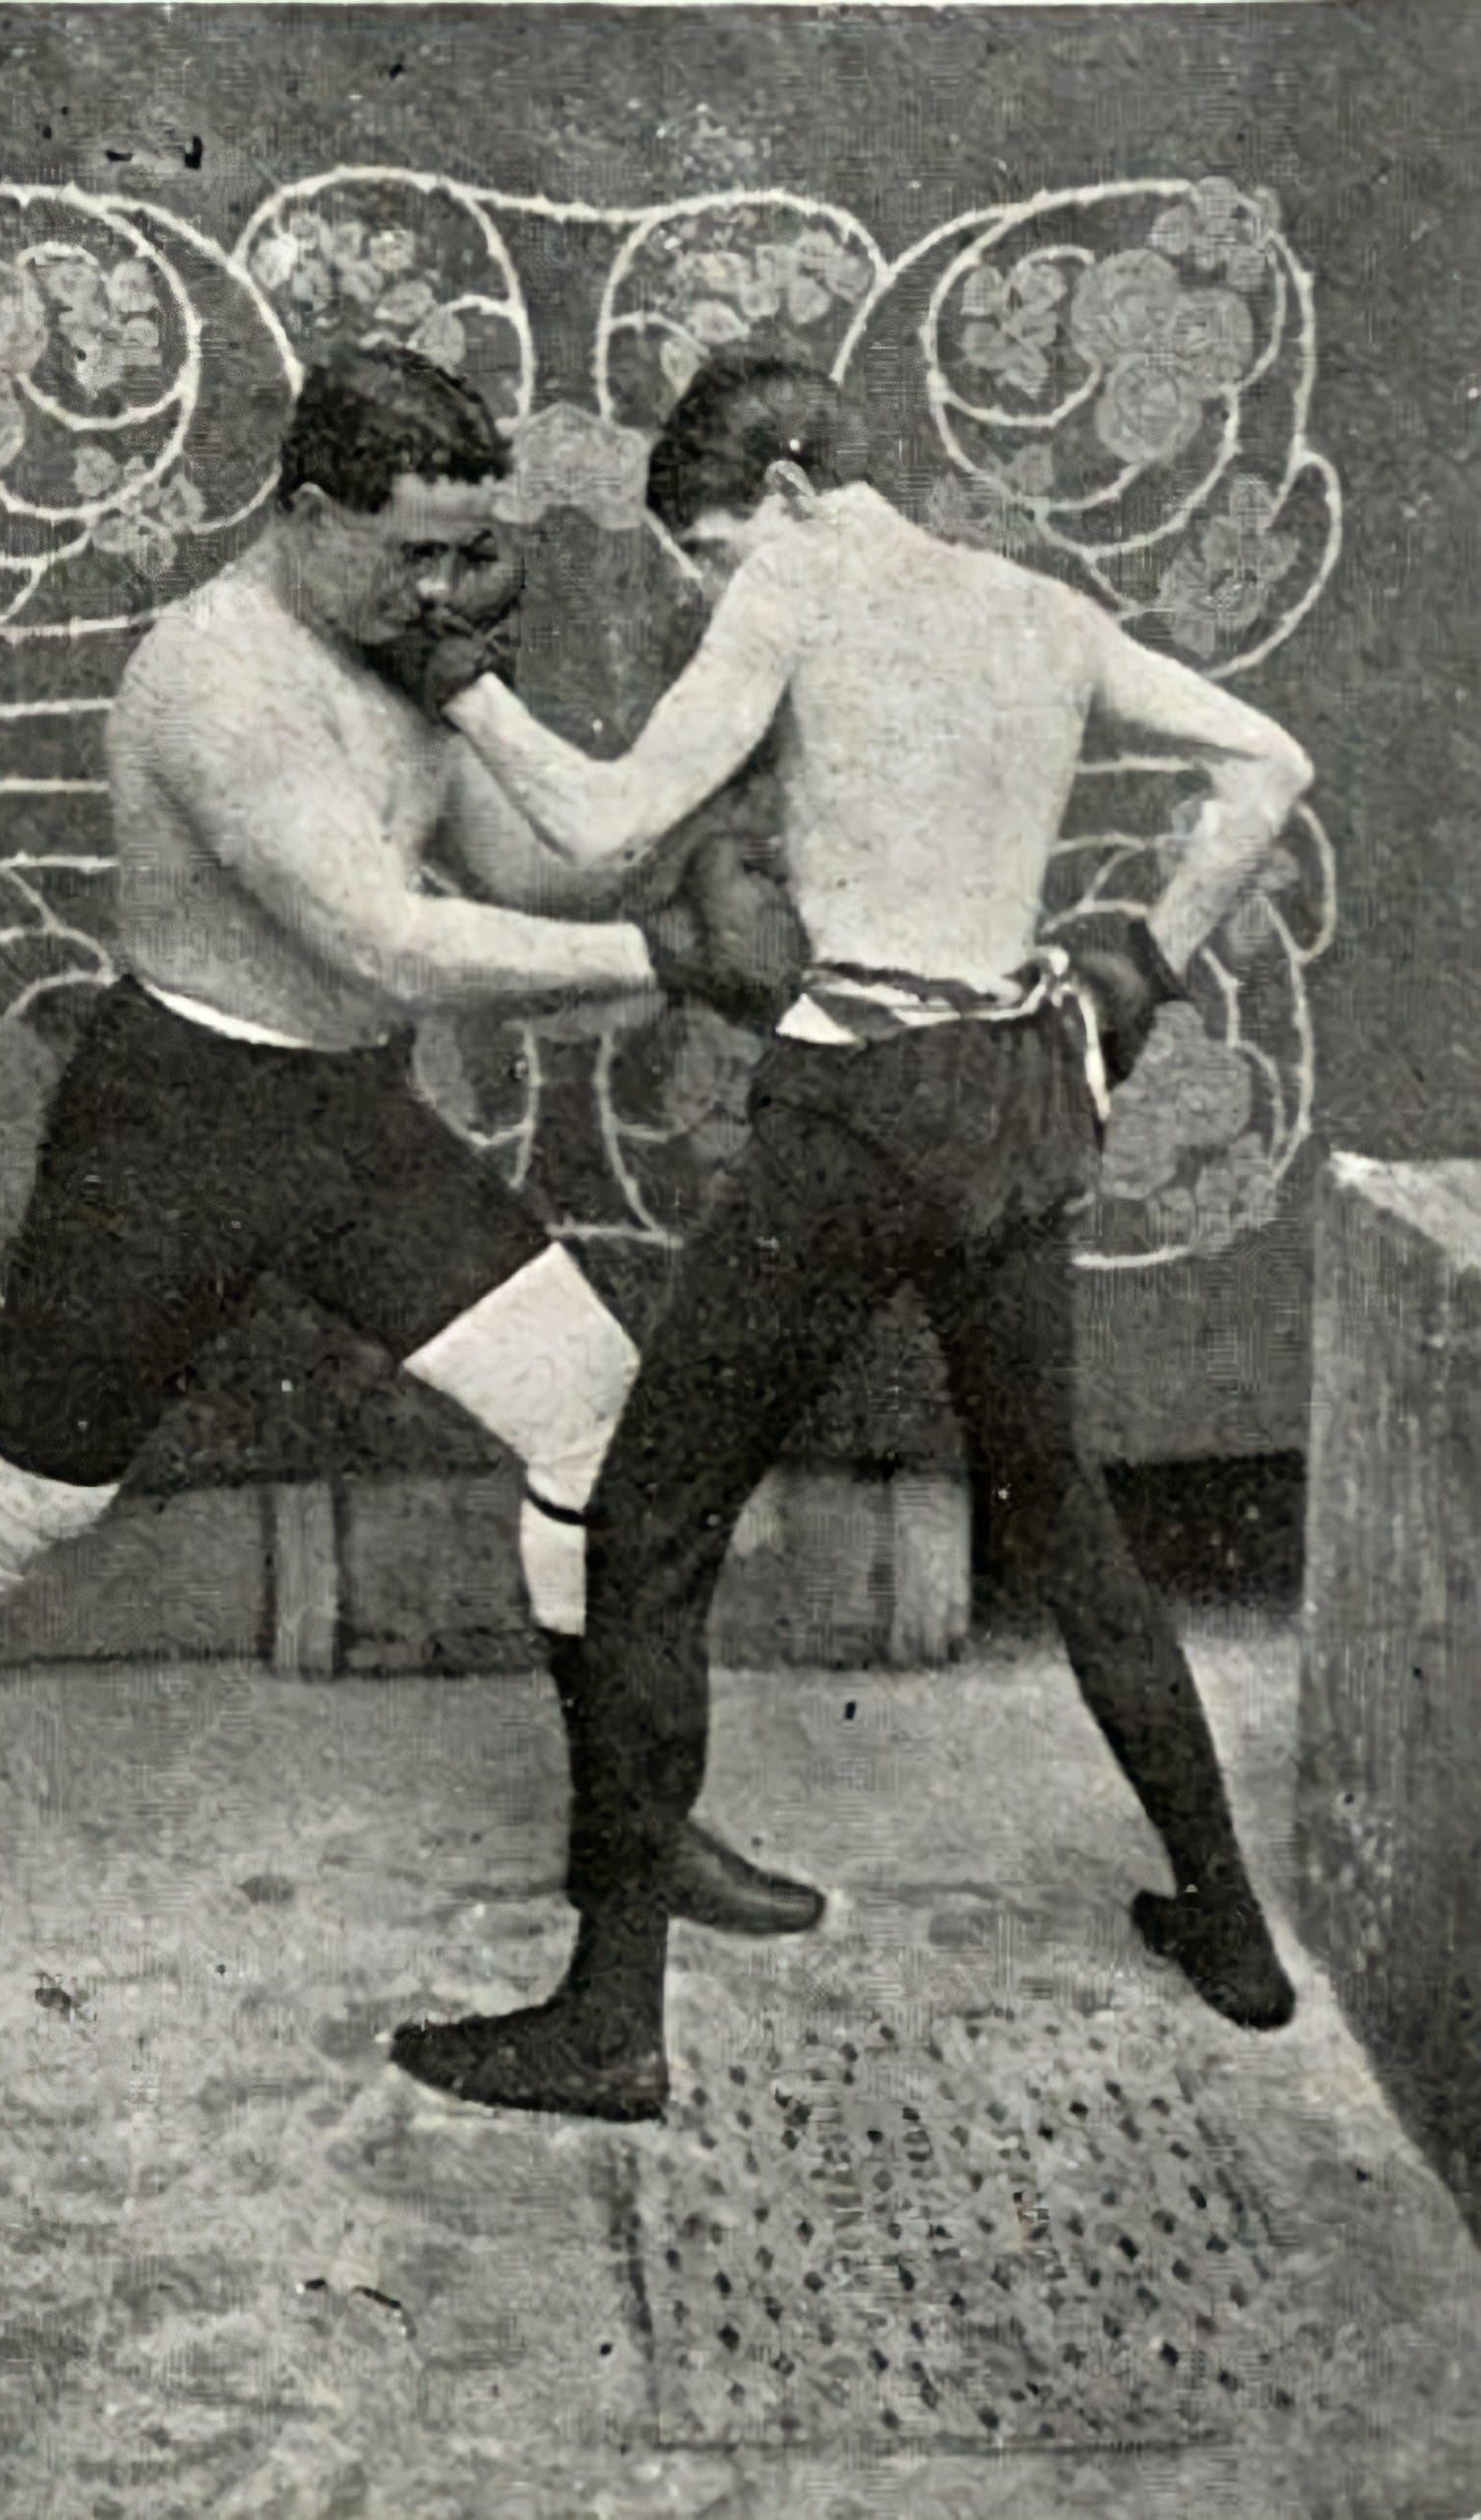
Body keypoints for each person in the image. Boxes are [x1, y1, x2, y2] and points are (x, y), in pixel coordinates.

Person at [0, 344, 812, 1993]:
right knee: (25, 1502)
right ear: (311, 510)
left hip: (342, 1119)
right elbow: (387, 941)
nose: (445, 590)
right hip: (175, 1120)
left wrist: (700, 844)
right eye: (412, 553)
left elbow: (524, 871)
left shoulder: (399, 654)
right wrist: (672, 955)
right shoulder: (213, 675)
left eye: (466, 553)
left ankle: (629, 1826)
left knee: (592, 1412)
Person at [391, 350, 1316, 2123]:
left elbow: (601, 823)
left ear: (791, 494)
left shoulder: (799, 579)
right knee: (1061, 1510)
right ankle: (1231, 1929)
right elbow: (1268, 762)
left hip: (865, 1106)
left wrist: (463, 684)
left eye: (710, 555)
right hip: (1015, 1094)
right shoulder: (1040, 605)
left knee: (648, 1523)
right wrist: (1148, 957)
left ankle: (609, 2020)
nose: (712, 594)